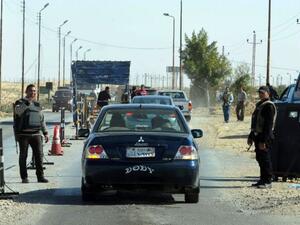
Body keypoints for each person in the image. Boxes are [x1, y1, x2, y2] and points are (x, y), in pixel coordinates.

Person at [13, 84, 49, 183]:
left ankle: (40, 177)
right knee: (23, 156)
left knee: (39, 156)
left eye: (34, 91)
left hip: (36, 134)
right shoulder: (20, 102)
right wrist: (27, 104)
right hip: (23, 135)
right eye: (30, 91)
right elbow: (18, 112)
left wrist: (45, 132)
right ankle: (24, 177)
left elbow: (42, 119)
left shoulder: (37, 104)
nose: (33, 93)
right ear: (26, 92)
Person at [247, 86, 277, 189]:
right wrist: (251, 136)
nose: (260, 94)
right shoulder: (260, 105)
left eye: (263, 93)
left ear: (268, 94)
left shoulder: (269, 106)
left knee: (265, 159)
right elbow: (255, 122)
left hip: (265, 137)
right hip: (258, 136)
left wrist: (264, 140)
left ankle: (268, 180)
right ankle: (262, 179)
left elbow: (268, 125)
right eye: (260, 93)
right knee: (260, 158)